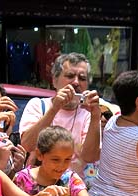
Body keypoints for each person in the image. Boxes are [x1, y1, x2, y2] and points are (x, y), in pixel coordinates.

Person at [19, 53, 102, 181]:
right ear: (54, 80)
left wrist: (96, 116)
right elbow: (28, 145)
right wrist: (54, 108)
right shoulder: (38, 105)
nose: (76, 82)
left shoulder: (88, 113)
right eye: (70, 76)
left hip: (74, 188)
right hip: (37, 186)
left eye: (82, 78)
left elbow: (90, 157)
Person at [13, 126, 90, 196]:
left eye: (67, 159)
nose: (61, 165)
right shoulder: (22, 179)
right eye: (55, 160)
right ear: (39, 155)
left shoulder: (70, 179)